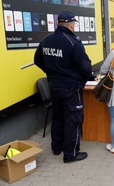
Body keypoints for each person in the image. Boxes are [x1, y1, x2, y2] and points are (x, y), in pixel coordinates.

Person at [34, 11, 94, 163]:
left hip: (54, 87)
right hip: (71, 88)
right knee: (73, 119)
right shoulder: (73, 42)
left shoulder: (46, 40)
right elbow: (85, 67)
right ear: (71, 24)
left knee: (58, 117)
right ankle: (71, 154)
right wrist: (84, 79)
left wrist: (51, 72)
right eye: (74, 23)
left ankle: (56, 147)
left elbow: (37, 60)